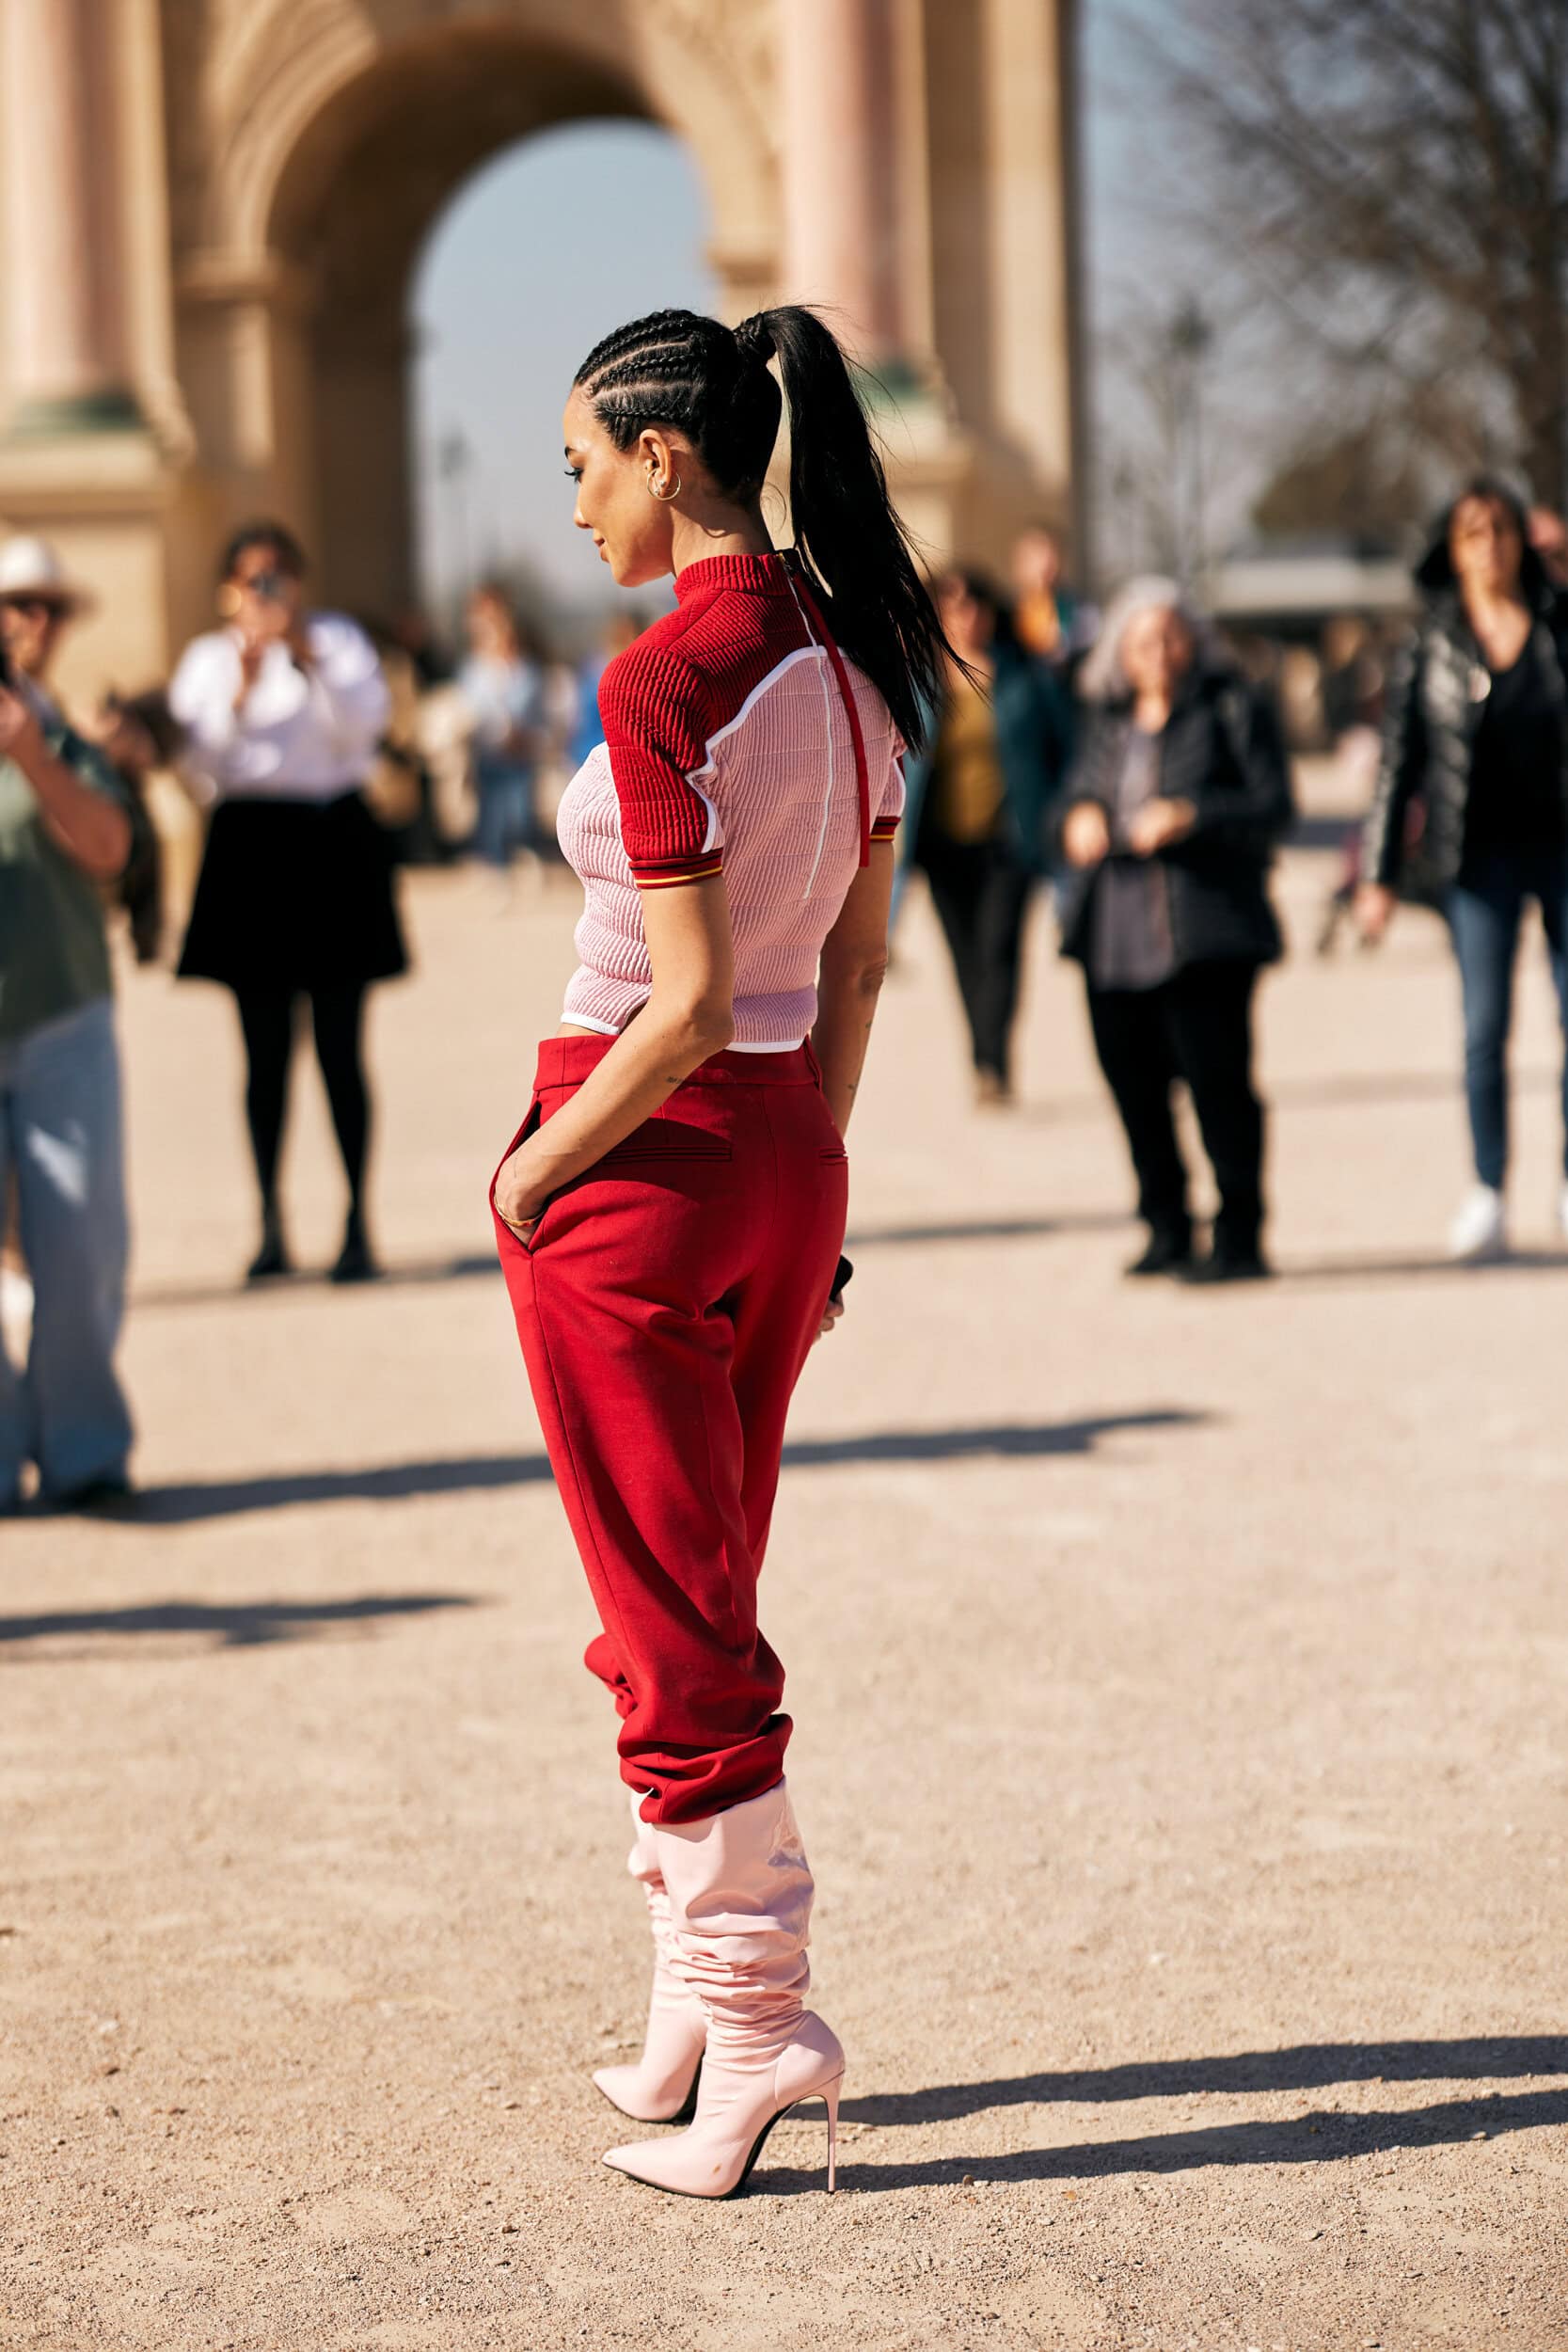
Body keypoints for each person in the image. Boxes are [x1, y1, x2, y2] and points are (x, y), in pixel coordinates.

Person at [489, 304, 950, 2200]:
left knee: (670, 1608)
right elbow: (845, 965)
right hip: (781, 1147)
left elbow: (673, 1002)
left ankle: (760, 2021)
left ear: (663, 451)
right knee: (679, 1575)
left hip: (649, 1148)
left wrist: (530, 1176)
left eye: (583, 463)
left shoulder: (659, 677)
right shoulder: (859, 653)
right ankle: (698, 1988)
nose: (575, 503)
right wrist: (815, 1169)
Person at [168, 521, 401, 1284]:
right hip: (250, 850)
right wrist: (239, 685)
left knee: (341, 1050)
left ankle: (357, 1223)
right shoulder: (208, 658)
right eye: (251, 576)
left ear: (298, 581)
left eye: (277, 574)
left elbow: (362, 734)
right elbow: (200, 764)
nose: (265, 589)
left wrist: (305, 661)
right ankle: (270, 1224)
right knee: (262, 1055)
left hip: (333, 840)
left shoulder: (335, 643)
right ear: (230, 586)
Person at [1055, 577, 1292, 1281]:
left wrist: (1192, 813)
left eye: (1168, 635)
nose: (1156, 651)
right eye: (1139, 640)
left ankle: (1240, 1235)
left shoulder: (1231, 707)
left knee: (1218, 1086)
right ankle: (1165, 1225)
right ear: (1118, 653)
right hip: (1112, 932)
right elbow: (1070, 797)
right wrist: (1076, 817)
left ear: (1193, 639)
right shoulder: (1106, 721)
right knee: (1132, 1085)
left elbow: (1273, 806)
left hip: (1204, 931)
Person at [1359, 477, 1568, 1260]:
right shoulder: (1430, 643)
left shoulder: (1560, 626)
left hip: (1559, 849)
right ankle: (1487, 1190)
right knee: (1484, 1030)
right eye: (1471, 532)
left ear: (1523, 540)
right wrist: (1377, 877)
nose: (1488, 546)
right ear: (1452, 548)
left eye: (1501, 530)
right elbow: (1396, 767)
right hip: (1475, 860)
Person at [0, 534, 142, 1510]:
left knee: (84, 1235)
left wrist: (26, 751)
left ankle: (85, 1447)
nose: (36, 624)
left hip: (63, 1016)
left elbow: (107, 847)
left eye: (51, 606)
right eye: (19, 603)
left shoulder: (65, 740)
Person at [901, 568, 1069, 1104]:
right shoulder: (920, 682)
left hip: (1010, 840)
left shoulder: (1024, 677)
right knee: (966, 957)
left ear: (990, 612)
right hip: (942, 844)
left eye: (973, 606)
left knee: (1000, 949)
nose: (964, 618)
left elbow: (1062, 749)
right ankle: (981, 1058)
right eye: (952, 608)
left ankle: (994, 1063)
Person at [458, 585, 546, 883]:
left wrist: (521, 731)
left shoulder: (525, 669)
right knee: (490, 812)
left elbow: (531, 703)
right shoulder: (474, 668)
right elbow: (472, 705)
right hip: (489, 752)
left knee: (518, 812)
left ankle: (521, 856)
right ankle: (495, 863)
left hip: (518, 752)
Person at [1010, 522, 1099, 678]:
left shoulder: (1082, 616)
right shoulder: (1005, 619)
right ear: (1019, 566)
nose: (1045, 570)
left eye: (1051, 559)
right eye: (1034, 558)